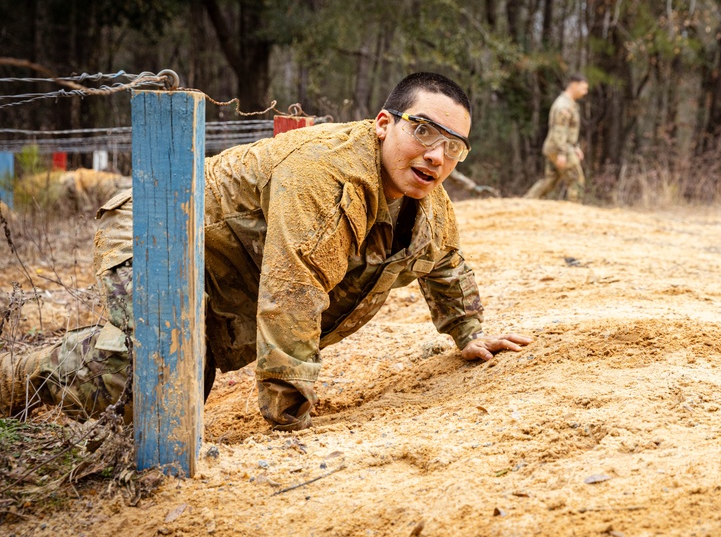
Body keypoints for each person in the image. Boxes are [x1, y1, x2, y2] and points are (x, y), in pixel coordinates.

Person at [0, 72, 532, 431]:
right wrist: (288, 416)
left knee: (179, 382)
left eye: (454, 146)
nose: (437, 155)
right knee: (156, 375)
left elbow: (443, 262)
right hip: (158, 225)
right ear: (384, 123)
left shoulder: (428, 204)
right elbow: (293, 288)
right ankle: (17, 375)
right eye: (423, 130)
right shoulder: (323, 174)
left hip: (219, 267)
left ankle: (64, 367)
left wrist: (469, 332)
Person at [525, 73, 589, 203]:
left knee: (550, 180)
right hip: (559, 147)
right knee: (576, 179)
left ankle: (527, 201)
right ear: (574, 85)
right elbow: (559, 130)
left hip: (559, 146)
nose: (585, 92)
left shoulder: (570, 104)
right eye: (583, 89)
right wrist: (562, 152)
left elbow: (569, 130)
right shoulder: (563, 105)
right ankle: (574, 209)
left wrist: (575, 147)